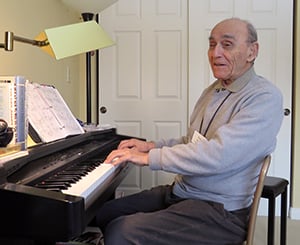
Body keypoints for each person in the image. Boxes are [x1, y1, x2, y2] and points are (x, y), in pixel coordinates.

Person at [95, 18, 284, 244]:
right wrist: (151, 145)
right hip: (183, 193)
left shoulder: (264, 97)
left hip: (221, 211)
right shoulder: (212, 91)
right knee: (105, 213)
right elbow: (193, 141)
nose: (215, 54)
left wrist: (149, 158)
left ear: (252, 51)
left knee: (121, 231)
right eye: (212, 45)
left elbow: (219, 154)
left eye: (227, 44)